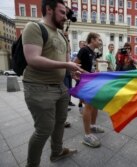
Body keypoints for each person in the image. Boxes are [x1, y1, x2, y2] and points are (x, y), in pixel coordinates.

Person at [22, 0, 83, 166]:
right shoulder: (34, 27)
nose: (65, 17)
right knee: (44, 130)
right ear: (49, 9)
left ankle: (56, 152)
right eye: (62, 12)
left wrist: (72, 71)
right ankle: (32, 164)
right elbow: (33, 59)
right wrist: (66, 65)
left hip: (60, 88)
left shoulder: (61, 34)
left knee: (59, 123)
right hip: (38, 88)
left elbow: (62, 61)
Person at [74, 32, 104, 148]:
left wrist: (95, 72)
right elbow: (74, 65)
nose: (100, 42)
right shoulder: (84, 50)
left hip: (92, 82)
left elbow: (92, 67)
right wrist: (86, 74)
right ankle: (87, 135)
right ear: (92, 40)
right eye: (98, 40)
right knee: (88, 105)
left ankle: (92, 126)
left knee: (95, 104)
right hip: (84, 82)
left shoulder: (93, 53)